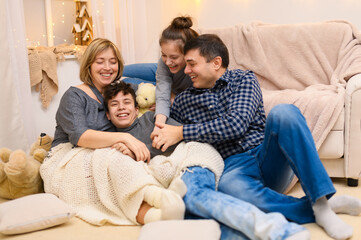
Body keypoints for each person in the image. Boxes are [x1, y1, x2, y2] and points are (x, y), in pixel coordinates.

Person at [151, 34, 361, 240]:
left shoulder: (243, 79)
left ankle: (321, 203)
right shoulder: (182, 101)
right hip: (233, 166)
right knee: (229, 191)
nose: (186, 71)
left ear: (215, 63)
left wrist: (180, 132)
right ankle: (316, 207)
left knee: (284, 112)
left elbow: (236, 124)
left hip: (266, 153)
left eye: (191, 64)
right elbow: (166, 138)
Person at [103, 80, 310, 240]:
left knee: (194, 197)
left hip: (192, 159)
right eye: (115, 104)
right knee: (190, 213)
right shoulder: (112, 141)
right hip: (167, 178)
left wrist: (142, 152)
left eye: (127, 102)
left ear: (136, 107)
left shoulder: (151, 120)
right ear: (108, 115)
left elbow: (180, 137)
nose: (122, 108)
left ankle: (279, 229)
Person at [40, 38, 187, 225]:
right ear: (89, 65)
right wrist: (125, 138)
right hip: (70, 154)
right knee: (114, 161)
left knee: (132, 161)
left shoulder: (120, 90)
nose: (107, 67)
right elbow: (80, 137)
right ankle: (161, 200)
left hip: (107, 150)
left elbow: (153, 94)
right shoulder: (74, 95)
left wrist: (164, 100)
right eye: (100, 62)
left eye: (113, 61)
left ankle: (159, 213)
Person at [122, 16, 198, 127]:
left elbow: (164, 96)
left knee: (127, 81)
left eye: (173, 56)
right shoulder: (165, 63)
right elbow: (163, 83)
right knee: (120, 70)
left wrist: (159, 126)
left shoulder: (197, 68)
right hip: (161, 73)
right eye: (163, 55)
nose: (167, 61)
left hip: (172, 86)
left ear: (188, 53)